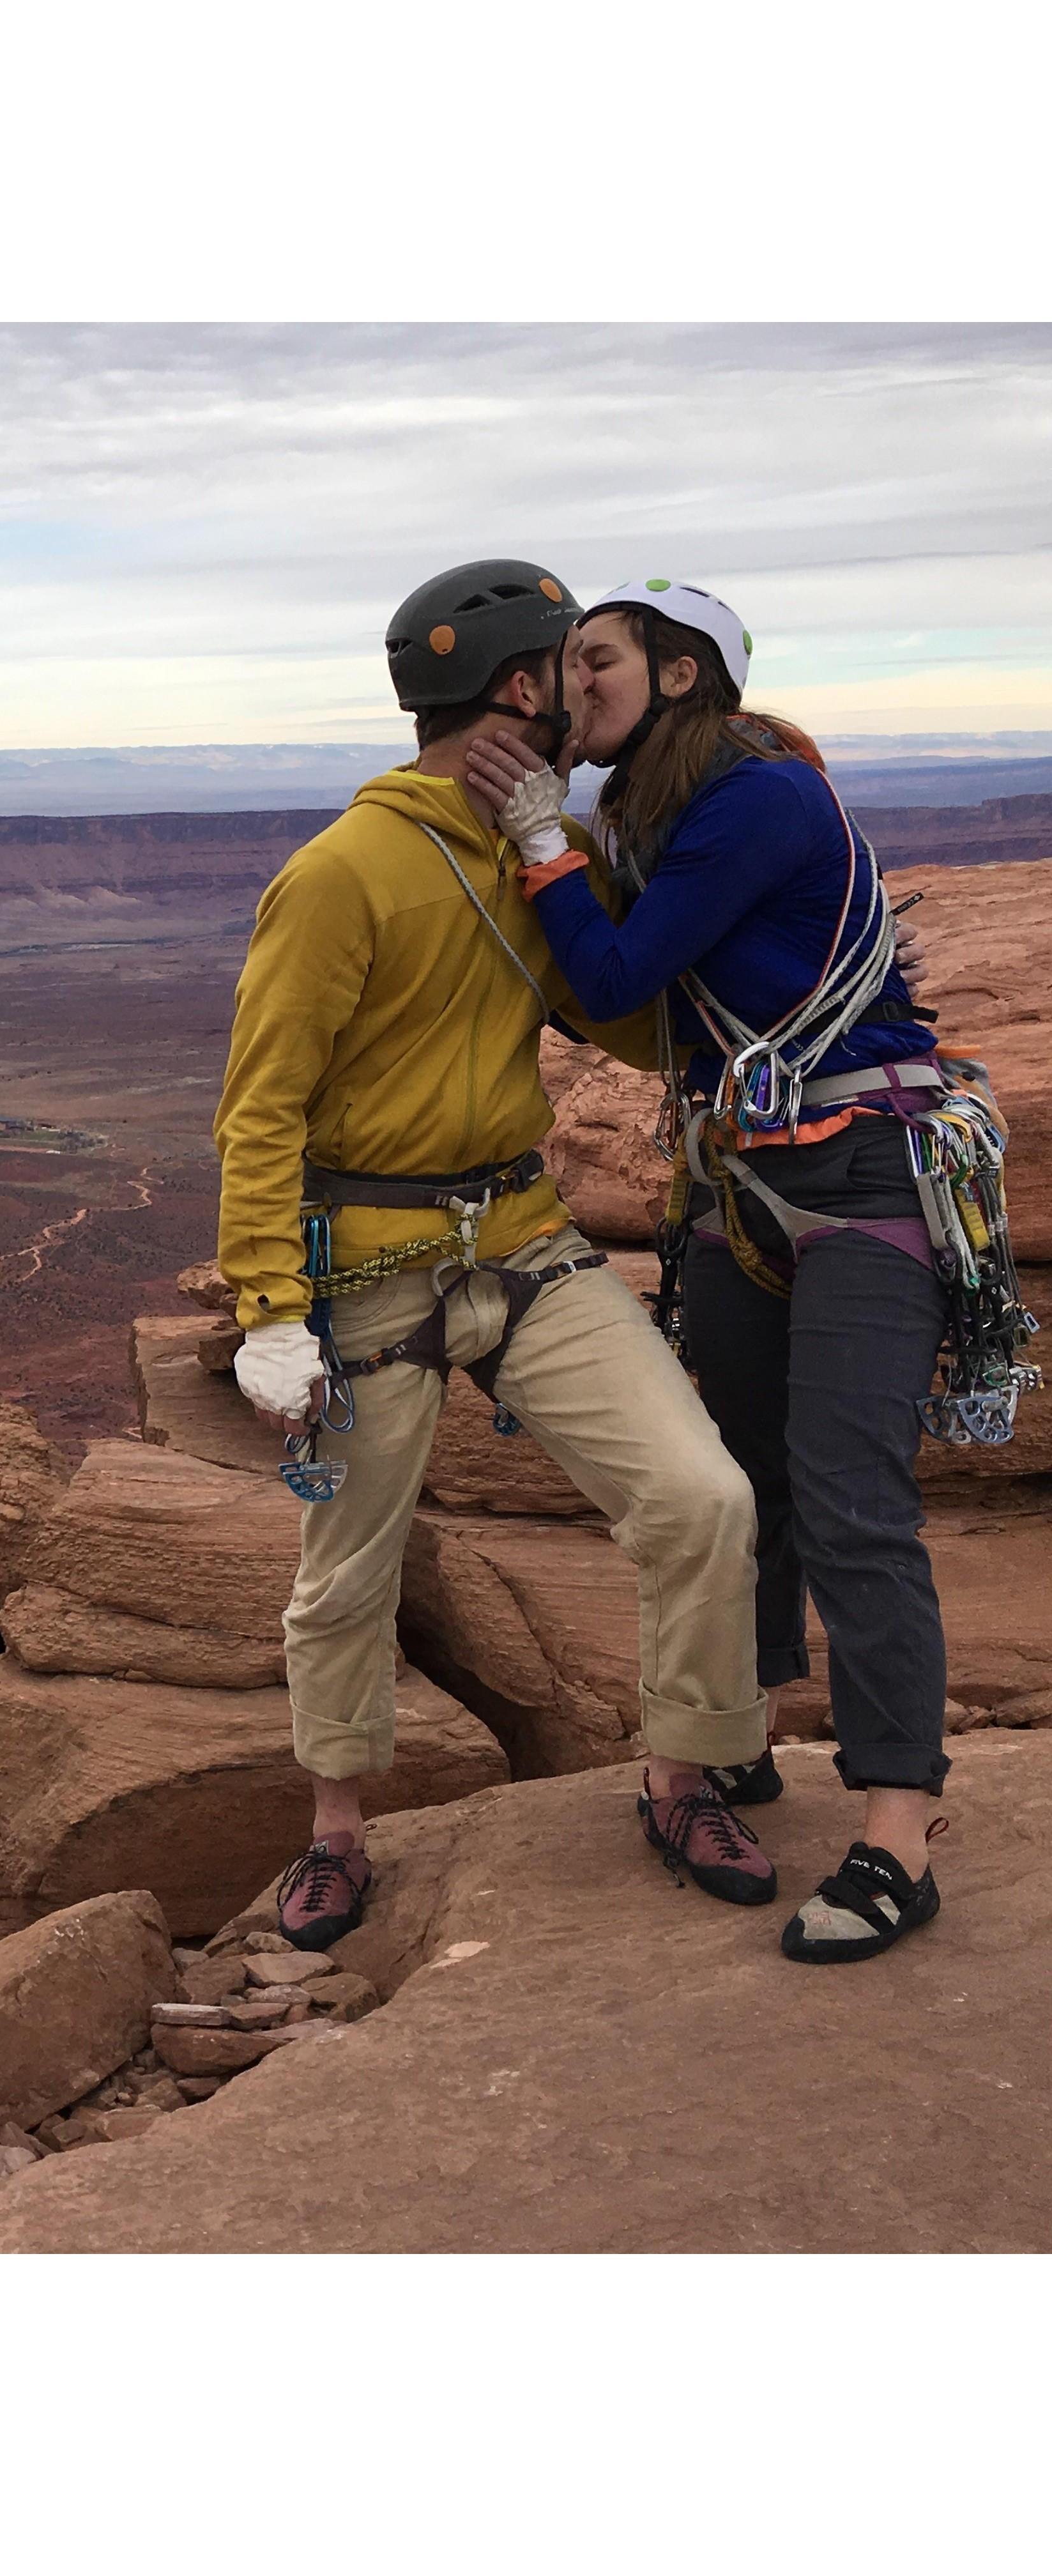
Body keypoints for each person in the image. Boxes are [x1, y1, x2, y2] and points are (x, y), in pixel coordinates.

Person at [217, 559, 777, 1953]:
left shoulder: (538, 855)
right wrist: (268, 1305)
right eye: (572, 671)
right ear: (521, 688)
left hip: (523, 1240)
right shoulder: (343, 875)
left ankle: (682, 1771)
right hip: (368, 1268)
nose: (590, 691)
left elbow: (627, 1018)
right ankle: (337, 1831)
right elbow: (261, 1106)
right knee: (348, 1570)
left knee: (701, 1497)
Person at [469, 575, 1018, 1961]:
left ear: (682, 671)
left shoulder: (759, 800)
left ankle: (899, 1834)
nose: (570, 680)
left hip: (859, 1179)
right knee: (745, 1481)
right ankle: (745, 1741)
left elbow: (614, 977)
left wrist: (540, 836)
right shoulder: (661, 811)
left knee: (848, 1505)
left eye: (596, 657)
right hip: (738, 1183)